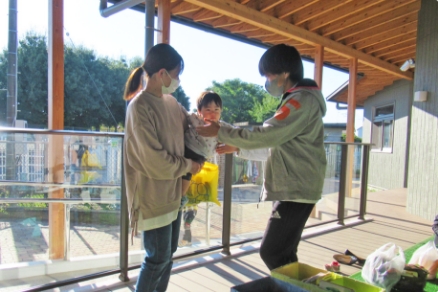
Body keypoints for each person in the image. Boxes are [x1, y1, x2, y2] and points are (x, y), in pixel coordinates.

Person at [197, 44, 327, 270]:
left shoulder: (299, 101)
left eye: (268, 75)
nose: (266, 81)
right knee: (284, 252)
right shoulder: (299, 100)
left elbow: (268, 135)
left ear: (284, 73)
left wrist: (222, 131)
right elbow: (276, 146)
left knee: (272, 251)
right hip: (296, 187)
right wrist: (236, 148)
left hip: (296, 190)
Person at [123, 43, 202, 292]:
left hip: (174, 192)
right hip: (152, 195)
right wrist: (189, 165)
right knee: (156, 258)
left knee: (168, 255)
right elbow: (152, 160)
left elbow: (189, 123)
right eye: (176, 74)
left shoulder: (171, 102)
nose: (178, 80)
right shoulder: (139, 106)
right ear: (162, 74)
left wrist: (205, 122)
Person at [179, 91, 228, 247]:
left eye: (216, 110)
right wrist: (194, 117)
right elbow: (188, 118)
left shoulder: (221, 128)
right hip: (189, 150)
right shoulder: (198, 121)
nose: (212, 114)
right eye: (208, 109)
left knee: (190, 175)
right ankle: (181, 197)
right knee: (186, 174)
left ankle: (183, 198)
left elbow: (231, 135)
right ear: (200, 111)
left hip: (201, 157)